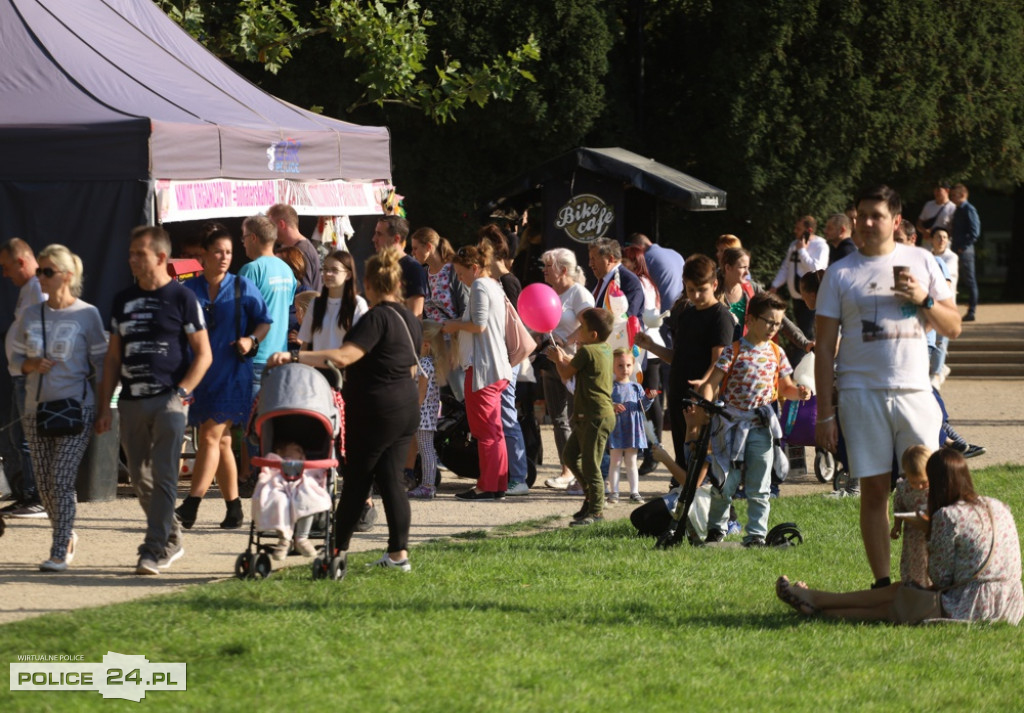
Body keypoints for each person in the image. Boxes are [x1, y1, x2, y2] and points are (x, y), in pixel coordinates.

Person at [815, 184, 961, 589]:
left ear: (896, 221)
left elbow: (954, 327)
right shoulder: (839, 273)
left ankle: (935, 577)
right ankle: (884, 585)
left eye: (876, 215)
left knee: (932, 485)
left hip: (915, 392)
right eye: (861, 214)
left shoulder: (922, 260)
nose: (865, 222)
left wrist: (924, 299)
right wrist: (826, 413)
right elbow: (824, 349)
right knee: (874, 489)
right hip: (860, 394)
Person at [267, 245, 421, 574]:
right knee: (391, 479)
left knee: (357, 481)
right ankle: (398, 556)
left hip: (377, 409)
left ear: (369, 282)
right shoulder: (408, 316)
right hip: (406, 406)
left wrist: (294, 357)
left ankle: (334, 552)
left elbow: (343, 356)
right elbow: (410, 366)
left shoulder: (377, 316)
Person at [776, 449, 1023, 624]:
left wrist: (928, 534)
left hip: (974, 606)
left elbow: (940, 576)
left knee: (900, 598)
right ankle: (816, 603)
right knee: (900, 595)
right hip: (1011, 603)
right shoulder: (996, 504)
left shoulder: (949, 516)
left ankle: (817, 602)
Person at [95, 226, 212, 576]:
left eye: (139, 254)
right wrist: (104, 406)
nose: (131, 259)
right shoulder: (123, 300)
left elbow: (203, 354)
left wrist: (181, 393)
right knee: (140, 480)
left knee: (163, 475)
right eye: (130, 253)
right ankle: (172, 535)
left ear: (161, 257)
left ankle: (155, 547)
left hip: (168, 401)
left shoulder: (182, 298)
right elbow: (113, 359)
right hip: (130, 401)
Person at [10, 245, 107, 570]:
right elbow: (15, 360)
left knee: (61, 479)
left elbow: (101, 363)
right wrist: (31, 364)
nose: (41, 277)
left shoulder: (87, 314)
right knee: (46, 484)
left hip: (76, 408)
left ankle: (58, 547)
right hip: (35, 410)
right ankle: (65, 533)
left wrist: (104, 406)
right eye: (39, 271)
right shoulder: (29, 313)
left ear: (67, 276)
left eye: (47, 272)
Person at [175, 227, 271, 530]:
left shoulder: (243, 287)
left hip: (233, 373)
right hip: (200, 375)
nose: (224, 257)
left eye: (229, 252)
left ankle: (191, 505)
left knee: (209, 437)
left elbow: (264, 322)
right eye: (218, 251)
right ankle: (234, 509)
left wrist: (251, 342)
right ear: (203, 255)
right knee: (224, 442)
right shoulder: (189, 290)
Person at [700, 292, 811, 546]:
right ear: (750, 319)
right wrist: (706, 405)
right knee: (725, 484)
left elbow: (785, 388)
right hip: (730, 426)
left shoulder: (776, 352)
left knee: (760, 485)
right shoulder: (734, 350)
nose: (773, 328)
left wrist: (799, 393)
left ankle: (756, 535)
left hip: (762, 427)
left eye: (777, 323)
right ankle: (717, 529)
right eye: (769, 321)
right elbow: (711, 383)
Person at [635, 255, 733, 468]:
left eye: (702, 289)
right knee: (683, 455)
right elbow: (677, 358)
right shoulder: (686, 314)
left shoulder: (721, 316)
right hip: (678, 395)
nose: (696, 295)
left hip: (702, 398)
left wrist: (705, 387)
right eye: (690, 290)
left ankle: (696, 494)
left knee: (699, 457)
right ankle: (680, 490)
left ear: (714, 284)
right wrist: (651, 346)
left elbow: (719, 362)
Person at [443, 243, 512, 500]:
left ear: (474, 268)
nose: (460, 279)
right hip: (495, 366)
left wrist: (452, 326)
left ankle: (487, 486)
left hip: (483, 367)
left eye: (461, 274)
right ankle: (497, 483)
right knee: (494, 431)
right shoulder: (493, 285)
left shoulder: (481, 286)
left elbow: (479, 325)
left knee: (485, 432)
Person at [546, 308, 615, 526]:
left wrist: (558, 359)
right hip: (593, 415)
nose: (577, 332)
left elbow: (566, 374)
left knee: (590, 464)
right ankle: (590, 497)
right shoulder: (604, 349)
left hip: (595, 415)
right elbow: (580, 366)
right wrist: (566, 358)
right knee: (570, 456)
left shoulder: (587, 352)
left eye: (581, 328)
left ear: (592, 334)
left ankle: (596, 511)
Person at [537, 248, 596, 489]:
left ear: (562, 270)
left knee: (576, 417)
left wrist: (565, 341)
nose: (544, 270)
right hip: (550, 362)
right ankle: (566, 471)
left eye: (547, 266)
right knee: (558, 418)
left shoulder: (578, 293)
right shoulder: (549, 293)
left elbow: (591, 325)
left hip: (573, 362)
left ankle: (581, 471)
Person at [479, 225, 529, 496]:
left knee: (507, 415)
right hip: (499, 356)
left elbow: (513, 325)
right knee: (500, 415)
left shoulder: (508, 281)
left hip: (507, 358)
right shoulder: (497, 280)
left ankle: (519, 477)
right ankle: (509, 474)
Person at [0, 238, 46, 518]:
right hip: (21, 373)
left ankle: (36, 496)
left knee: (28, 437)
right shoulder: (29, 289)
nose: (5, 274)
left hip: (29, 375)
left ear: (21, 261)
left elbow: (42, 330)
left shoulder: (38, 288)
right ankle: (27, 493)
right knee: (20, 436)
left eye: (6, 267)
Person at [239, 214, 296, 394]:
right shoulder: (287, 270)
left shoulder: (251, 269)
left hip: (255, 358)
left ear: (253, 238)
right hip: (280, 356)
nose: (243, 243)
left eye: (244, 237)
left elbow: (237, 313)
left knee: (250, 420)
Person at [622, 244, 665, 474]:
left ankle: (653, 451)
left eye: (624, 260)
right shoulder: (647, 283)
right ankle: (650, 449)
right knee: (648, 399)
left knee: (649, 400)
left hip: (647, 346)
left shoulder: (638, 283)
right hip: (649, 344)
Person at [718, 247, 811, 351]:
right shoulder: (712, 291)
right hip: (717, 357)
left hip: (745, 356)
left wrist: (805, 343)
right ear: (728, 268)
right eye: (743, 267)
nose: (747, 273)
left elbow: (781, 319)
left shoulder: (752, 289)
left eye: (748, 268)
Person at [769, 215, 830, 342]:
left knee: (807, 333)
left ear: (809, 230)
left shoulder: (821, 245)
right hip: (796, 297)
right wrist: (775, 285)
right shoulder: (793, 245)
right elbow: (785, 267)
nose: (795, 231)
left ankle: (808, 358)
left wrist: (802, 251)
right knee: (799, 331)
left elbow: (817, 268)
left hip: (812, 297)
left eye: (798, 228)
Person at [297, 251, 368, 351]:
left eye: (335, 270)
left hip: (344, 365)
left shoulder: (357, 304)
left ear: (348, 275)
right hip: (316, 365)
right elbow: (306, 344)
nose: (328, 274)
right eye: (325, 269)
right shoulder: (315, 304)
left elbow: (361, 347)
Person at [607, 348, 651, 505]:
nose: (624, 369)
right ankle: (614, 492)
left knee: (632, 462)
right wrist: (612, 405)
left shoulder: (636, 387)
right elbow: (603, 403)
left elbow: (643, 406)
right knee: (615, 461)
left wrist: (649, 398)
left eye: (627, 365)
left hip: (633, 428)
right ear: (612, 366)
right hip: (616, 429)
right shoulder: (610, 387)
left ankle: (634, 492)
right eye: (620, 365)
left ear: (633, 366)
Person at [892, 445, 932, 588]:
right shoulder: (904, 488)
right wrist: (897, 525)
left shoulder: (936, 487)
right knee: (913, 562)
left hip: (932, 535)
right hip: (913, 535)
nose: (920, 486)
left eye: (923, 482)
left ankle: (932, 587)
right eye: (914, 482)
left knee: (930, 563)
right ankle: (913, 587)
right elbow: (899, 507)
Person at [373, 216, 428, 318]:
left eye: (379, 234)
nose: (374, 239)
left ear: (396, 239)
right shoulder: (380, 266)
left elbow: (415, 317)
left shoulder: (413, 269)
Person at [409, 227, 465, 323]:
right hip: (431, 336)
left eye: (415, 248)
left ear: (428, 247)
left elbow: (465, 308)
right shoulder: (423, 274)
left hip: (454, 335)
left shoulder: (454, 271)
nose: (412, 253)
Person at [408, 339, 441, 499]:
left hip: (423, 414)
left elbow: (421, 394)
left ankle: (428, 486)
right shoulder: (430, 363)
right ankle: (428, 484)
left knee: (426, 449)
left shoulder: (424, 364)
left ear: (427, 344)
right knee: (426, 448)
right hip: (428, 412)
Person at [268, 203, 322, 293]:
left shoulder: (302, 251)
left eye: (271, 226)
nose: (270, 232)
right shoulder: (300, 248)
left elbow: (305, 293)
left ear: (282, 224)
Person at [950, 183, 981, 321]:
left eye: (953, 195)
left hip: (965, 252)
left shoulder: (969, 209)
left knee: (970, 281)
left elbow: (975, 232)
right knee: (954, 279)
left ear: (962, 195)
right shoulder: (958, 210)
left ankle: (972, 311)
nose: (951, 198)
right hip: (955, 249)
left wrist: (963, 246)